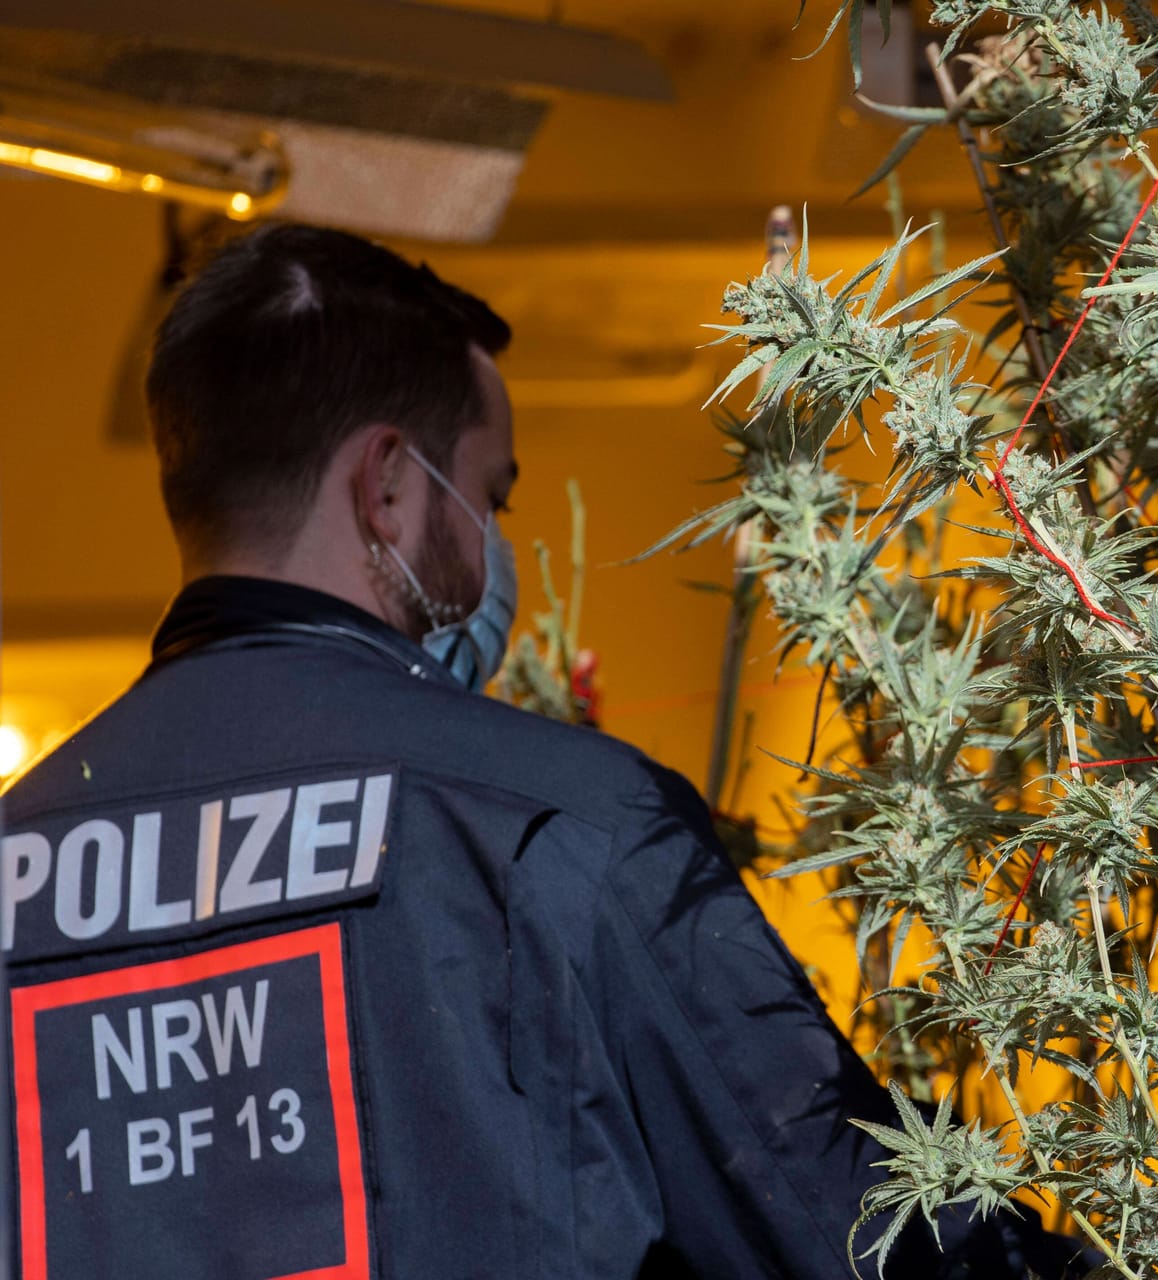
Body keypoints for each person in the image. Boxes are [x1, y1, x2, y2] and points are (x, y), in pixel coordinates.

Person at [0, 226, 1084, 1279]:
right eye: (488, 493)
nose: (489, 542)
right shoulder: (561, 825)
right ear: (385, 484)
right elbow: (853, 1219)